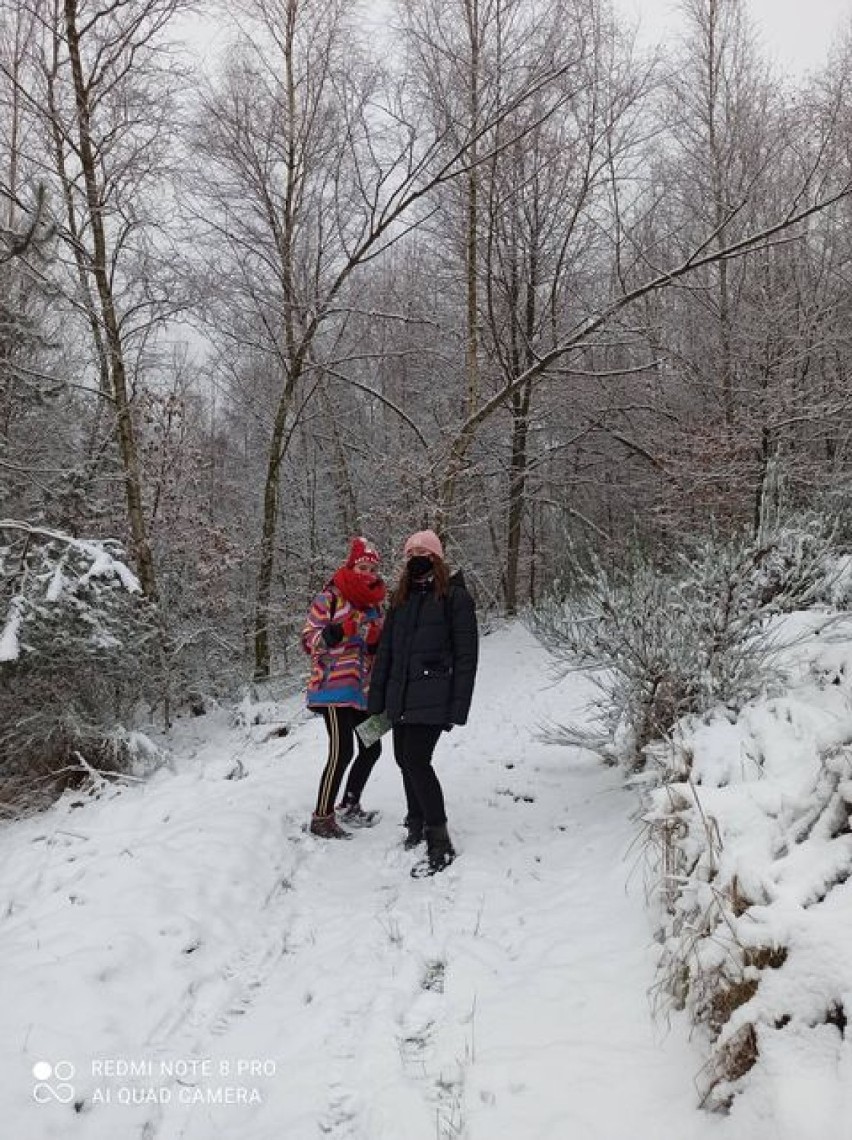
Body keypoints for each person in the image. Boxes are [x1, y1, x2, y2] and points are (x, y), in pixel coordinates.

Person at [368, 529, 478, 875]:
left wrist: (458, 707)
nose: (415, 558)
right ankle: (415, 821)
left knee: (417, 760)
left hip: (433, 696)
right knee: (403, 759)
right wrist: (377, 699)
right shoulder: (401, 598)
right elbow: (386, 652)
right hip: (400, 696)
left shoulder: (454, 598)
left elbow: (466, 656)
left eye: (423, 553)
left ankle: (439, 837)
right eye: (410, 552)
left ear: (436, 558)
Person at [301, 537, 386, 839]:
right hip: (332, 688)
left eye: (373, 568)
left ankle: (350, 804)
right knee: (341, 751)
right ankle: (321, 817)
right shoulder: (331, 596)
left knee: (372, 746)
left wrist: (376, 640)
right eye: (362, 566)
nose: (367, 573)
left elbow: (377, 652)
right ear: (352, 565)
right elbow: (308, 639)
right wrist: (339, 631)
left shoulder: (375, 605)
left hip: (362, 693)